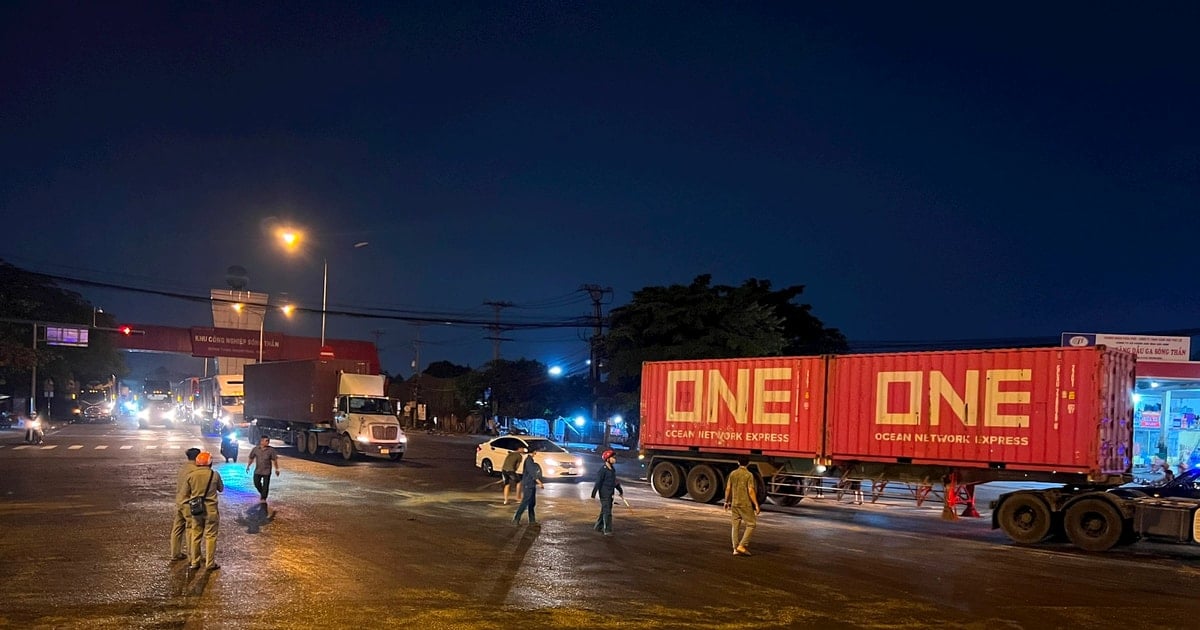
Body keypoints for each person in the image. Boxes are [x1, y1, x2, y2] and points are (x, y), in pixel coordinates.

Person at [184, 451, 224, 571]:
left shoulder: (191, 475)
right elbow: (221, 489)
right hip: (211, 510)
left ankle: (195, 562)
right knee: (210, 536)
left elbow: (186, 493)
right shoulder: (214, 475)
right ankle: (210, 563)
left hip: (197, 509)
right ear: (210, 463)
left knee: (196, 535)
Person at [724, 456, 760, 556]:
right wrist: (756, 505)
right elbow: (751, 490)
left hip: (734, 503)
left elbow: (728, 488)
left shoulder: (733, 474)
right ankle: (742, 545)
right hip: (745, 504)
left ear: (738, 462)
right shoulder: (749, 475)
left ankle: (735, 549)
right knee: (751, 524)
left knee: (735, 526)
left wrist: (726, 502)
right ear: (748, 463)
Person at [170, 448, 202, 561]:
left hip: (179, 501)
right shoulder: (195, 470)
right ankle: (192, 556)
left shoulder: (183, 468)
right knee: (190, 529)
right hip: (188, 504)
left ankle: (175, 553)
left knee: (177, 528)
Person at [591, 449, 624, 536]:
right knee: (607, 512)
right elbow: (598, 482)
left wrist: (620, 490)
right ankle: (607, 530)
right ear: (607, 459)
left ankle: (598, 526)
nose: (614, 459)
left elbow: (614, 481)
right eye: (612, 457)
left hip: (610, 494)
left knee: (605, 510)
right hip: (604, 494)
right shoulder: (603, 470)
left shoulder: (612, 469)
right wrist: (593, 493)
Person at [512, 451, 544, 526]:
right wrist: (539, 482)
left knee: (532, 503)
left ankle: (532, 520)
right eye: (535, 451)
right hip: (528, 484)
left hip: (531, 484)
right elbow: (532, 473)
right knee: (525, 502)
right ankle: (516, 519)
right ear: (532, 452)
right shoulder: (529, 461)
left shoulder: (530, 460)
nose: (535, 453)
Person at [246, 435, 280, 503]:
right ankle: (262, 493)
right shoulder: (255, 449)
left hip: (266, 471)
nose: (268, 442)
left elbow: (275, 460)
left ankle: (263, 498)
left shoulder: (271, 450)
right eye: (266, 441)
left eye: (268, 441)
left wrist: (277, 469)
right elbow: (251, 458)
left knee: (266, 485)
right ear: (261, 441)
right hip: (258, 470)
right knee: (256, 483)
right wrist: (248, 466)